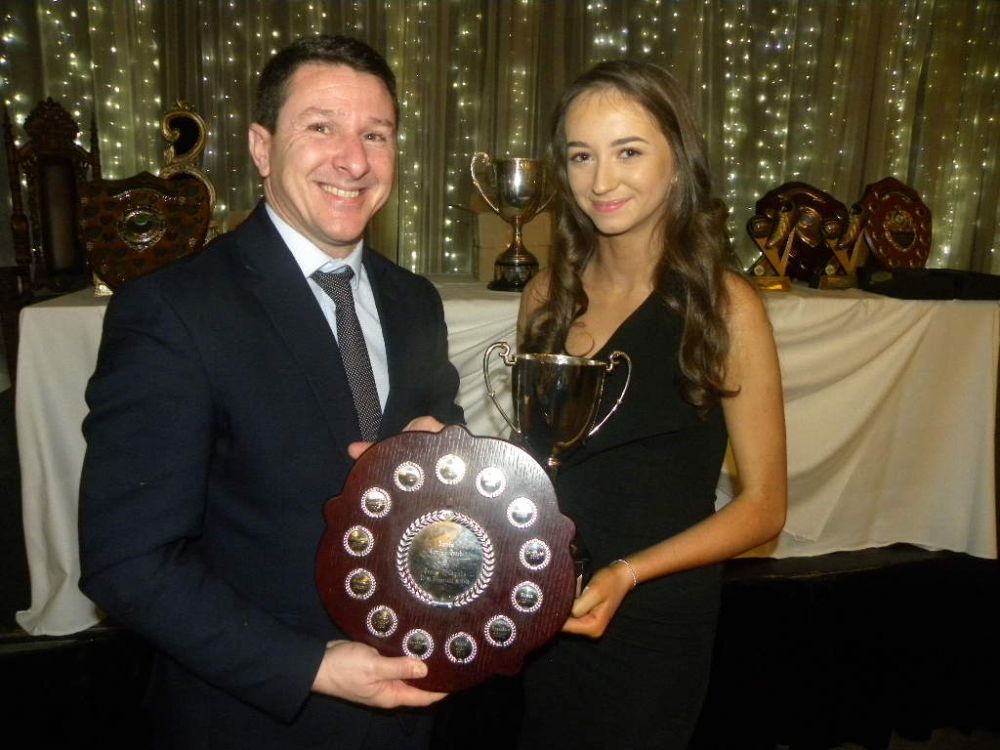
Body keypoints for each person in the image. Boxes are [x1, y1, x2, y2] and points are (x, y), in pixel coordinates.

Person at [78, 35, 463, 749]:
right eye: (322, 127)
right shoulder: (174, 311)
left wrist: (451, 466)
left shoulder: (415, 302)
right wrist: (309, 667)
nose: (354, 160)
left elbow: (442, 479)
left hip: (411, 706)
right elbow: (127, 563)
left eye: (375, 134)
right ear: (262, 147)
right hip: (254, 715)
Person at [514, 59, 787, 749]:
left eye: (628, 152)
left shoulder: (725, 307)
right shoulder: (547, 296)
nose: (601, 182)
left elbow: (764, 509)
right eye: (582, 156)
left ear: (677, 162)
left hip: (656, 612)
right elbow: (537, 466)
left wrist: (628, 574)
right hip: (547, 599)